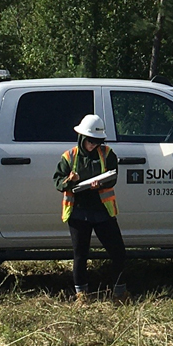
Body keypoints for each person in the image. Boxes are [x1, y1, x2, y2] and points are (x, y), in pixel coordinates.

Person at [54, 113, 127, 302]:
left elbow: (113, 177)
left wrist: (100, 184)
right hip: (78, 213)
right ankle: (82, 295)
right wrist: (69, 181)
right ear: (82, 138)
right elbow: (58, 182)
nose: (93, 145)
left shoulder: (108, 154)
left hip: (103, 212)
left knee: (118, 252)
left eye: (97, 141)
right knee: (80, 255)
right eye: (90, 141)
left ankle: (120, 293)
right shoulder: (69, 157)